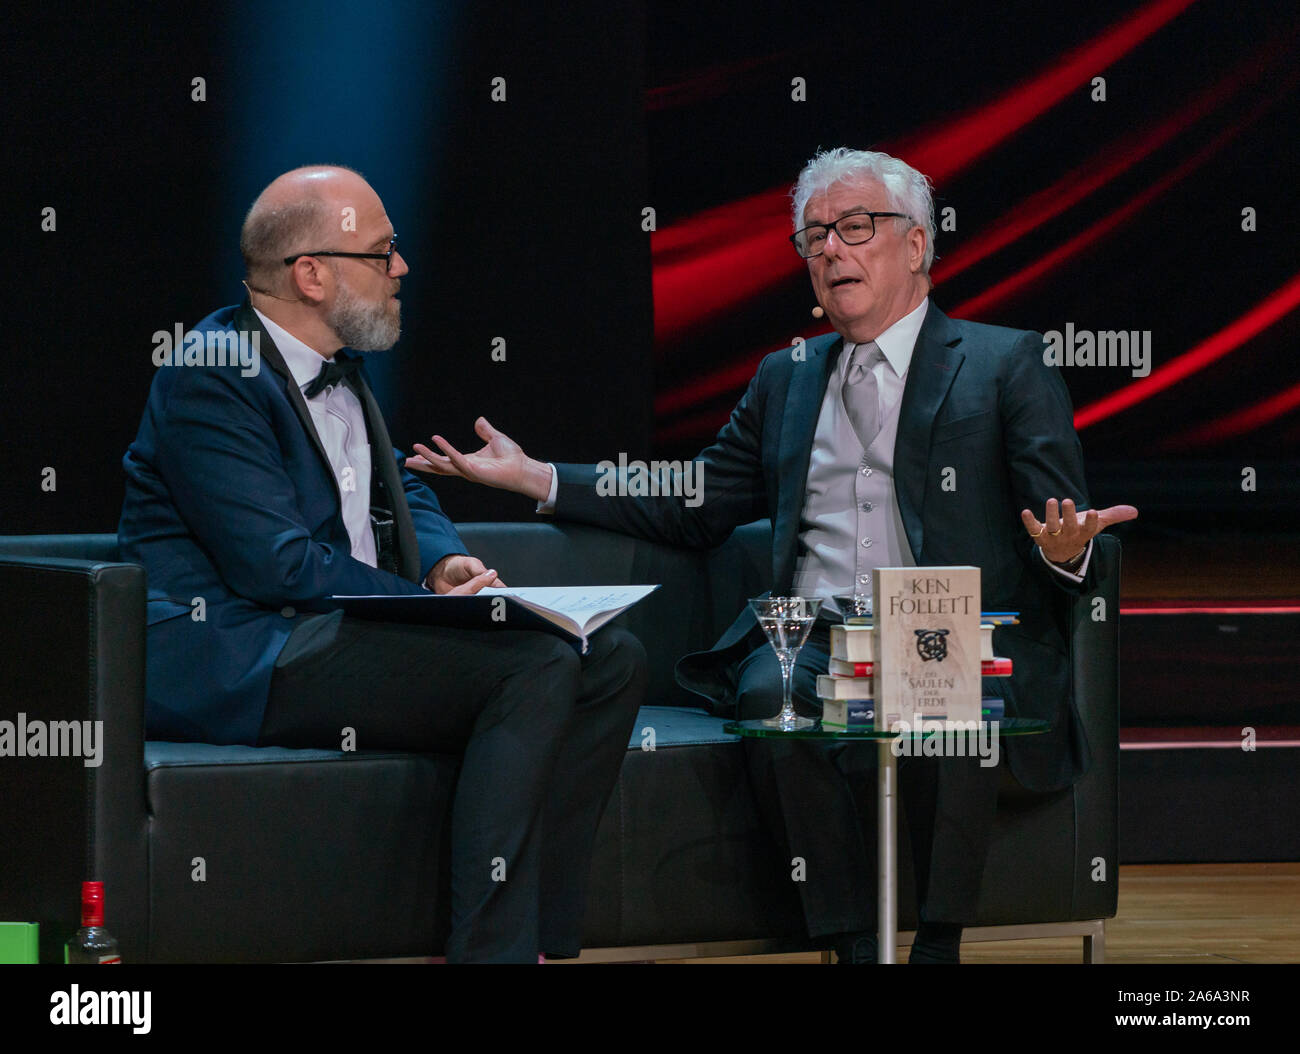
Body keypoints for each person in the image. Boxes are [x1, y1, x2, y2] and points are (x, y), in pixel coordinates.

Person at [406, 147, 1137, 963]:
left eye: (855, 228)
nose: (830, 250)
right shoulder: (785, 377)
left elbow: (1059, 523)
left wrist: (1071, 553)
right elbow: (698, 500)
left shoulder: (1004, 363)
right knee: (769, 698)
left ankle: (938, 942)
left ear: (917, 246)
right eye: (814, 236)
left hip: (946, 626)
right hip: (815, 634)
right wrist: (539, 476)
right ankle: (851, 942)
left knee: (943, 702)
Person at [117, 165, 646, 963]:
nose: (402, 268)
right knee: (533, 663)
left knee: (610, 657)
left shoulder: (338, 367)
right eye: (383, 251)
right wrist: (427, 606)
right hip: (247, 651)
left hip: (330, 631)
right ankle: (490, 955)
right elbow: (278, 567)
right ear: (312, 273)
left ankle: (538, 937)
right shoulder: (212, 371)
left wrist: (442, 567)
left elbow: (394, 488)